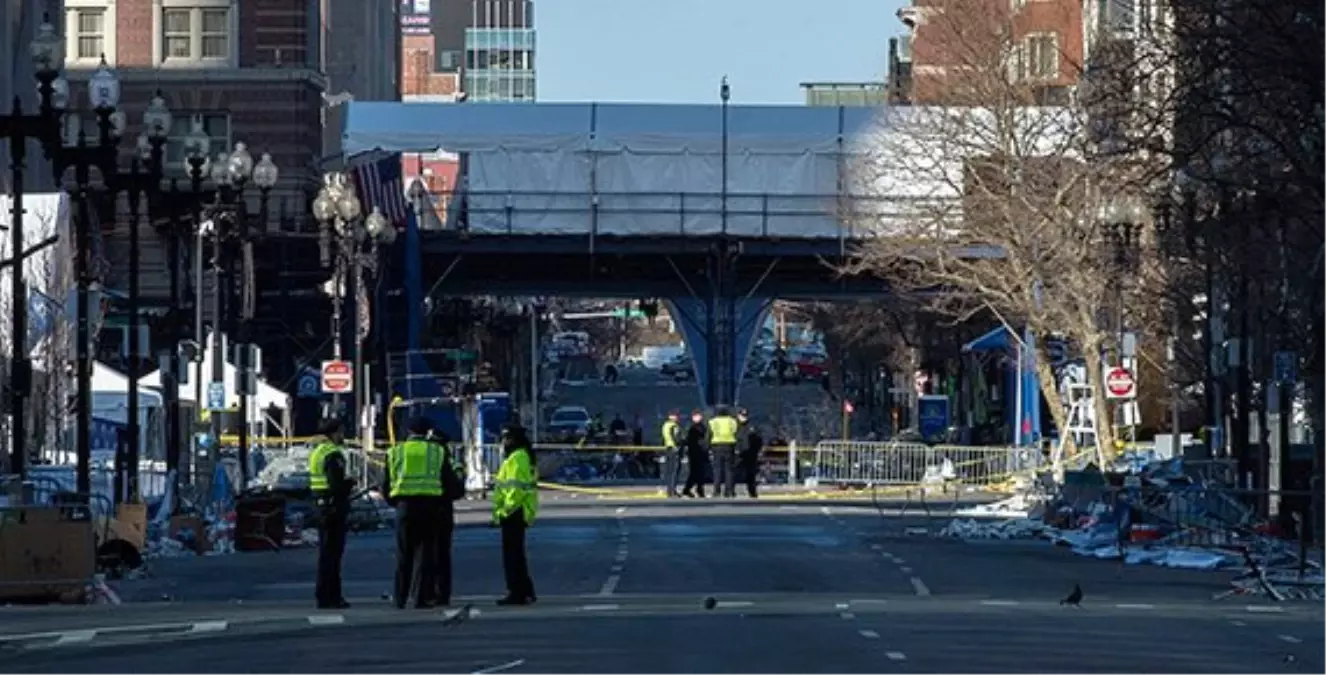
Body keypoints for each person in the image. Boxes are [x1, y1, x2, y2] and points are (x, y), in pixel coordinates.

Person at [382, 416, 446, 610]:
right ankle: (421, 597)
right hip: (429, 505)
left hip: (405, 506)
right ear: (427, 432)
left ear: (408, 431)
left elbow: (385, 483)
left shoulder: (395, 452)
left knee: (404, 554)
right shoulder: (437, 451)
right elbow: (447, 480)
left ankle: (399, 598)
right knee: (425, 554)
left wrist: (395, 502)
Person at [308, 418, 355, 609]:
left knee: (326, 554)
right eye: (341, 432)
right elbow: (336, 485)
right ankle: (331, 596)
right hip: (333, 508)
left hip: (321, 506)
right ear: (334, 433)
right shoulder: (333, 454)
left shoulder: (317, 452)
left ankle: (324, 594)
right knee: (333, 556)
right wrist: (350, 483)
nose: (342, 436)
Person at [493, 424, 539, 605]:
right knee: (517, 555)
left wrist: (505, 511)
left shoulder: (517, 457)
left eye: (507, 438)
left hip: (514, 512)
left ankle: (517, 592)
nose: (504, 442)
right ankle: (526, 590)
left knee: (512, 556)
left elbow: (515, 488)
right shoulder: (519, 456)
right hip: (517, 511)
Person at [430, 428, 467, 607]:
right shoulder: (447, 462)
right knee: (439, 555)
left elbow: (458, 488)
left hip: (434, 509)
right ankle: (437, 592)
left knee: (435, 554)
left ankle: (437, 592)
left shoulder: (448, 463)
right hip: (441, 510)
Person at [707, 405, 740, 498]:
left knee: (717, 470)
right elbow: (735, 432)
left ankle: (716, 491)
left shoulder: (713, 422)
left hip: (716, 446)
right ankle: (729, 491)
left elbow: (709, 435)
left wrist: (707, 447)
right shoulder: (732, 421)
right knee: (729, 470)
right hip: (729, 445)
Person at [680, 410, 709, 498]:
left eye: (699, 415)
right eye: (696, 416)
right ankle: (689, 490)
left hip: (701, 452)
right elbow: (686, 439)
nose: (698, 417)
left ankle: (697, 490)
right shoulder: (691, 427)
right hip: (693, 452)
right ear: (693, 417)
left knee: (700, 473)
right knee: (695, 472)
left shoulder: (703, 426)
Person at [737, 409, 764, 499]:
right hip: (739, 453)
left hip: (751, 454)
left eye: (745, 416)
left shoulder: (752, 427)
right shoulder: (735, 426)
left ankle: (752, 492)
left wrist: (757, 450)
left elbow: (759, 440)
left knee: (751, 474)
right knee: (734, 473)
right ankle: (731, 491)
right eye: (742, 416)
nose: (743, 418)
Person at [660, 410, 683, 498]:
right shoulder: (674, 426)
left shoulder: (665, 425)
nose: (677, 417)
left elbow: (664, 438)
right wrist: (678, 445)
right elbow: (676, 438)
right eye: (676, 416)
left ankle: (669, 491)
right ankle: (673, 491)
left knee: (669, 471)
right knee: (674, 471)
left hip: (668, 449)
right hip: (674, 450)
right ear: (671, 416)